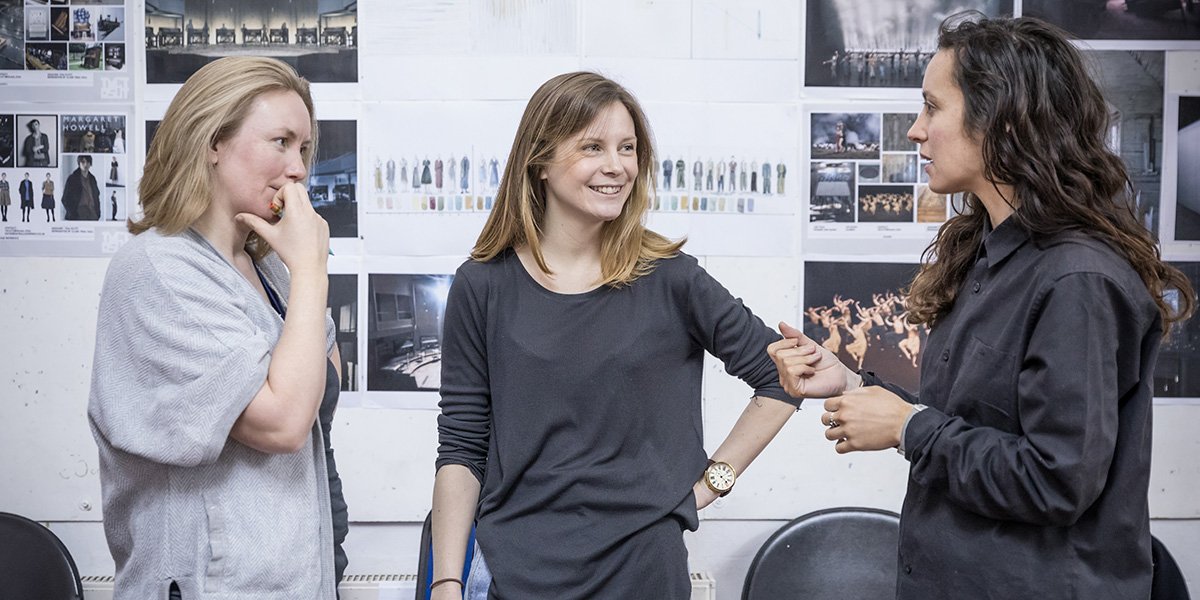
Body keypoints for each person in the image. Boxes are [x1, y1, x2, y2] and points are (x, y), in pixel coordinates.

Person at [767, 14, 1194, 600]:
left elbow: (1056, 480)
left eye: (932, 108)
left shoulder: (1078, 279)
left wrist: (908, 427)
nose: (916, 131)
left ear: (1002, 121)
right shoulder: (989, 257)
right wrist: (853, 384)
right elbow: (974, 422)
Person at [432, 71, 802, 600]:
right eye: (593, 147)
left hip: (644, 573)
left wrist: (710, 484)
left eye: (627, 148)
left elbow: (782, 375)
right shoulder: (482, 285)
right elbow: (462, 448)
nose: (617, 166)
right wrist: (446, 581)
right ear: (540, 161)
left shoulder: (672, 278)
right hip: (514, 575)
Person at [88, 56, 348, 600]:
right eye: (280, 142)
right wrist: (312, 270)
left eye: (303, 148)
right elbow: (283, 422)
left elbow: (322, 379)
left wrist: (303, 272)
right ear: (212, 142)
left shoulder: (271, 269)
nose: (299, 169)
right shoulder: (159, 270)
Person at [61, 154, 100, 220]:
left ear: (90, 163)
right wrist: (73, 213)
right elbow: (65, 199)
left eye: (88, 162)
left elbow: (96, 196)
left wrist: (98, 213)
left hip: (92, 213)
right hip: (78, 213)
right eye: (83, 162)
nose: (85, 164)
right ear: (79, 163)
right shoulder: (72, 178)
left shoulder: (92, 179)